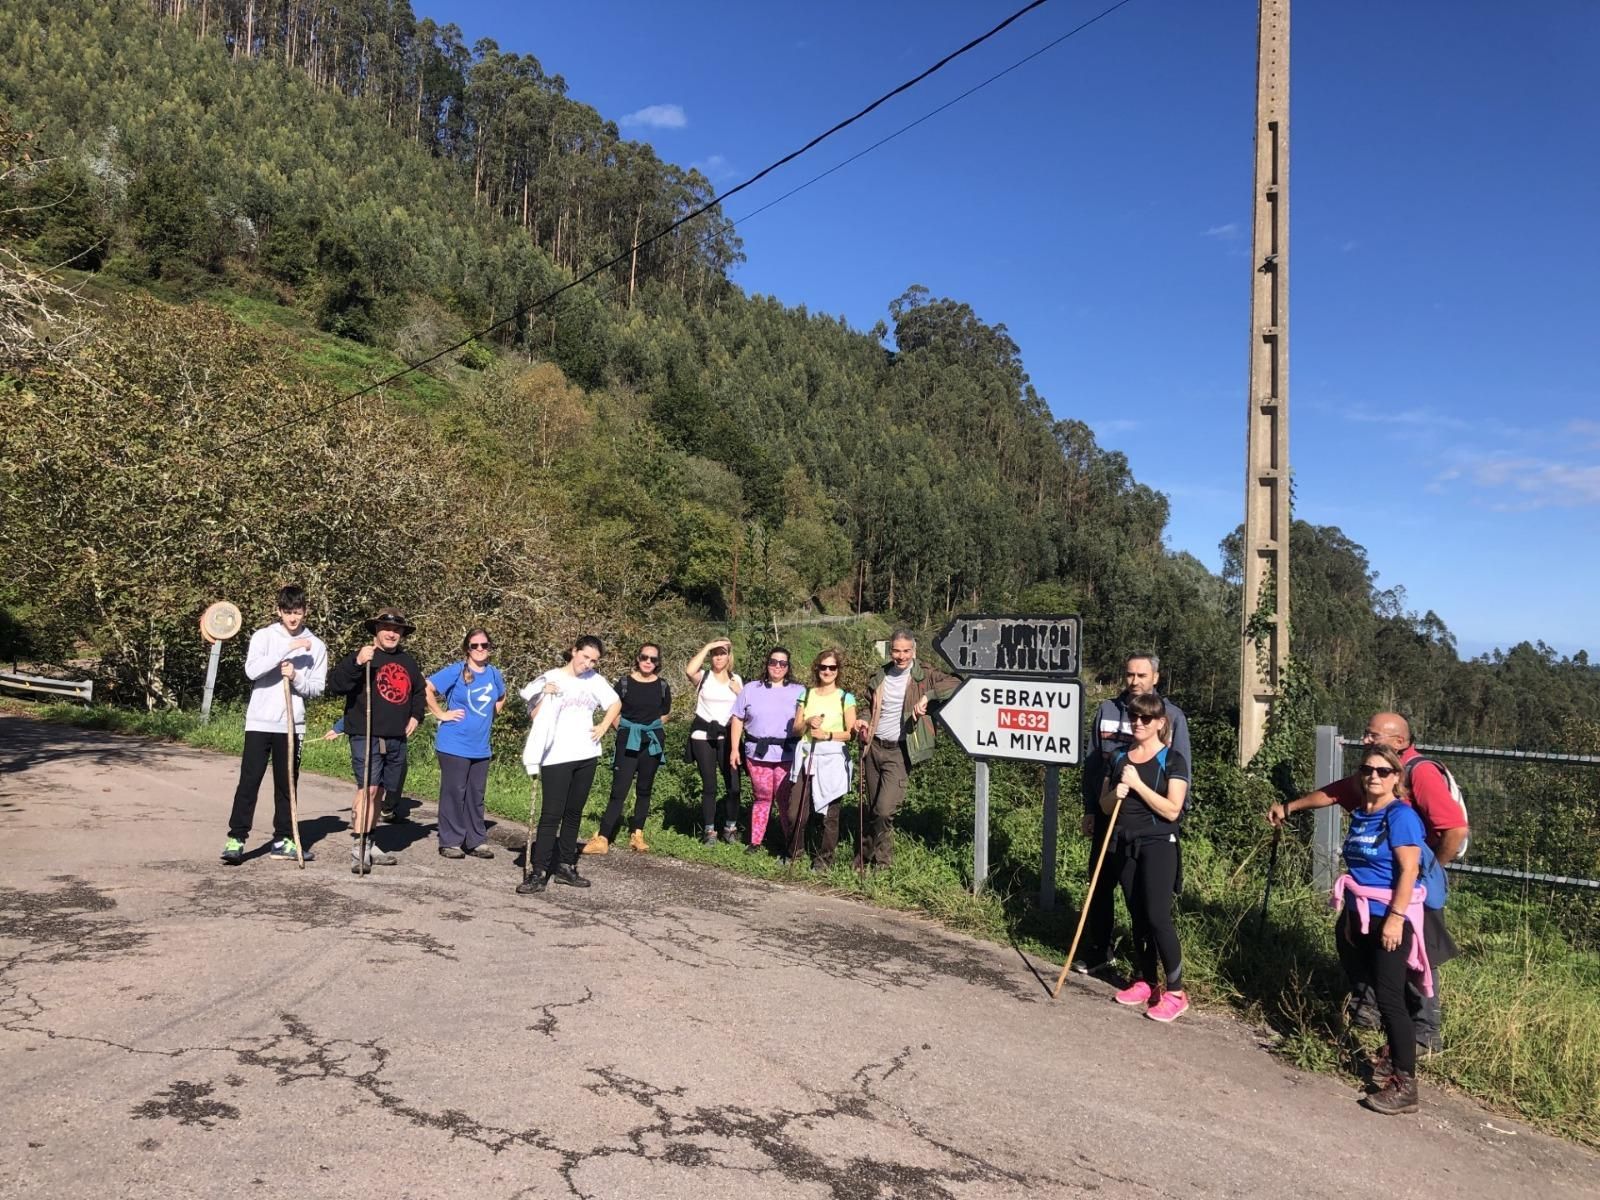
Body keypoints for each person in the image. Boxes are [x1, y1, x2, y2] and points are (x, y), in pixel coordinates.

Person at [1268, 711, 1468, 1050]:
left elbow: (1455, 828)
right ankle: (1368, 1008)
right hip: (1373, 886)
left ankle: (1424, 1031)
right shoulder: (1374, 773)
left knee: (1419, 953)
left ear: (1400, 742)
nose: (1365, 741)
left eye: (1372, 735)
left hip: (1411, 885)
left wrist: (1428, 868)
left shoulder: (1420, 774)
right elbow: (1336, 792)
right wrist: (1291, 807)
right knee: (1353, 938)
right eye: (1365, 734)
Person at [1330, 743, 1433, 1115]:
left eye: (1383, 771)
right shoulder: (1361, 814)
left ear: (1396, 778)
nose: (1373, 776)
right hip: (1360, 912)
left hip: (1388, 914)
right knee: (1371, 983)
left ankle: (1405, 1084)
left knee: (1390, 998)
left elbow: (1408, 870)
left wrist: (1395, 917)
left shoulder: (1400, 816)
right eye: (1367, 769)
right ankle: (1392, 1055)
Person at [1074, 653, 1192, 975]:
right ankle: (1100, 951)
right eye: (1130, 675)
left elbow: (1180, 768)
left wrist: (1176, 817)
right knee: (1099, 883)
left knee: (1142, 900)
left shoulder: (1172, 716)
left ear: (1156, 677)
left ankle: (1148, 971)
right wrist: (1090, 808)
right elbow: (1094, 762)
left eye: (1142, 675)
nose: (1135, 681)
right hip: (1109, 809)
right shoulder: (1108, 711)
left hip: (1151, 822)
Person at [1101, 690, 1192, 1023]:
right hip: (1123, 844)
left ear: (1160, 723)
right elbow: (1104, 806)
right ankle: (1146, 980)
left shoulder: (1172, 760)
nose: (1138, 723)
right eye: (1133, 717)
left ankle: (1176, 992)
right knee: (1137, 915)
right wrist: (1116, 793)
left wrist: (1137, 786)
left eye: (1145, 718)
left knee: (1157, 917)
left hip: (1158, 844)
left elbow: (1172, 809)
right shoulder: (1119, 758)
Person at [221, 585, 328, 865]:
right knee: (250, 780)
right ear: (279, 611)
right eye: (288, 612)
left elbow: (316, 688)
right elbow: (252, 671)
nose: (293, 618)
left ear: (305, 611)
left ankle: (283, 839)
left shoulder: (316, 646)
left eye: (298, 612)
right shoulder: (264, 636)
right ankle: (236, 838)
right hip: (260, 721)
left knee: (286, 785)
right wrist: (286, 649)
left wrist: (296, 678)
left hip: (292, 725)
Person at [515, 635, 621, 894]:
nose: (588, 664)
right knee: (552, 813)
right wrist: (544, 695)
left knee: (574, 812)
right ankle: (539, 870)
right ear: (574, 652)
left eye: (594, 660)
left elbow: (615, 702)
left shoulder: (595, 680)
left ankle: (565, 865)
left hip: (586, 753)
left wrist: (605, 725)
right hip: (556, 755)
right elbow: (533, 713)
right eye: (585, 657)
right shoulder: (552, 677)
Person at [327, 608, 426, 873]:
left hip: (396, 736)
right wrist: (357, 662)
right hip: (365, 733)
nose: (391, 633)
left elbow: (418, 691)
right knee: (367, 788)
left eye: (396, 630)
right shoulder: (364, 657)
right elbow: (336, 685)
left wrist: (416, 716)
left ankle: (370, 841)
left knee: (382, 791)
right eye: (386, 628)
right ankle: (359, 846)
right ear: (376, 631)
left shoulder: (408, 662)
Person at [851, 630, 959, 869]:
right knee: (871, 808)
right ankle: (863, 857)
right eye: (896, 651)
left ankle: (883, 863)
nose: (901, 656)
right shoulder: (881, 675)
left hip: (899, 751)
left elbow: (957, 683)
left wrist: (928, 697)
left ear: (914, 651)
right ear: (891, 651)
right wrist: (863, 720)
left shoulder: (925, 675)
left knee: (884, 810)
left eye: (906, 651)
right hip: (873, 747)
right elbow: (870, 706)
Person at [583, 643, 672, 855]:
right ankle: (603, 836)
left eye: (653, 659)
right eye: (644, 657)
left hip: (651, 742)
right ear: (637, 658)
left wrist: (647, 729)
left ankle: (637, 833)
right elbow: (613, 710)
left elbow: (665, 713)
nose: (648, 662)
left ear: (658, 662)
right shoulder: (623, 683)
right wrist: (625, 729)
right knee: (619, 790)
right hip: (627, 741)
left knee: (644, 788)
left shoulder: (663, 685)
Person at [426, 628, 507, 861]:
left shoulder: (493, 674)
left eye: (484, 645)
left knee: (476, 794)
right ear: (467, 649)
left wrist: (492, 715)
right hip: (454, 744)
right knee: (454, 792)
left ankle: (475, 840)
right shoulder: (456, 671)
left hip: (480, 746)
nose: (480, 649)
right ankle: (450, 840)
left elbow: (501, 696)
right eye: (475, 645)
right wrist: (441, 713)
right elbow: (427, 688)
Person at [728, 646, 804, 856]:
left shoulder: (799, 691)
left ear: (788, 667)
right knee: (762, 797)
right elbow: (737, 718)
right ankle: (755, 841)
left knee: (785, 800)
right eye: (773, 662)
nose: (777, 667)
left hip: (787, 753)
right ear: (767, 664)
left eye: (782, 663)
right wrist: (734, 749)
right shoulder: (751, 689)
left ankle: (790, 844)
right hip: (757, 753)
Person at [788, 648, 857, 870]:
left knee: (830, 815)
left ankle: (824, 860)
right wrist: (808, 722)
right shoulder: (806, 695)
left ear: (838, 671)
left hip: (832, 759)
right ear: (817, 668)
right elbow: (796, 729)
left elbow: (851, 733)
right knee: (794, 812)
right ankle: (794, 853)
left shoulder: (846, 698)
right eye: (823, 667)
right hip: (808, 756)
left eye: (832, 667)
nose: (827, 671)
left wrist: (827, 734)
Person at [685, 638, 743, 846]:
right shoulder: (704, 676)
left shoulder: (737, 680)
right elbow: (690, 670)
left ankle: (730, 827)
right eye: (715, 654)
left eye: (722, 653)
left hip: (728, 736)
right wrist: (707, 646)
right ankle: (709, 830)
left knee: (734, 785)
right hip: (703, 735)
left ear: (729, 656)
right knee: (710, 785)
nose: (719, 657)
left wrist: (739, 693)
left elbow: (744, 710)